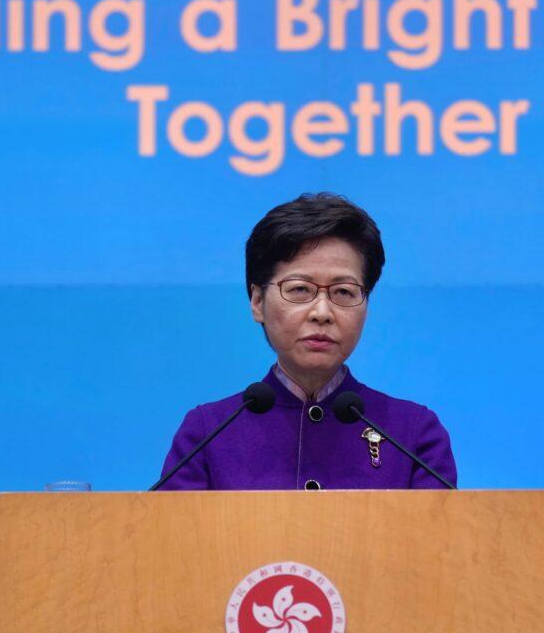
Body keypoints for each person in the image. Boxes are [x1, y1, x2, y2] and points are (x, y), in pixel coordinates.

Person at [158, 192, 457, 490]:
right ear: (258, 302)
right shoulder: (207, 434)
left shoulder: (414, 434)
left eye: (343, 292)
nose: (322, 313)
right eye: (300, 289)